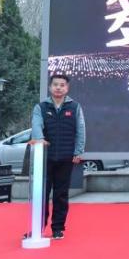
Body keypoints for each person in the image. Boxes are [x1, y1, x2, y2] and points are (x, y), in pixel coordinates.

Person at [29, 74, 86, 240]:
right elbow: (36, 125)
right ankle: (38, 228)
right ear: (50, 87)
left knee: (61, 195)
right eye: (55, 84)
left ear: (67, 88)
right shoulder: (41, 107)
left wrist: (78, 151)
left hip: (66, 158)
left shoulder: (75, 107)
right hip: (44, 158)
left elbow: (81, 130)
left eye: (62, 85)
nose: (58, 88)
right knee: (41, 194)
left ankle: (58, 228)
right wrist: (40, 140)